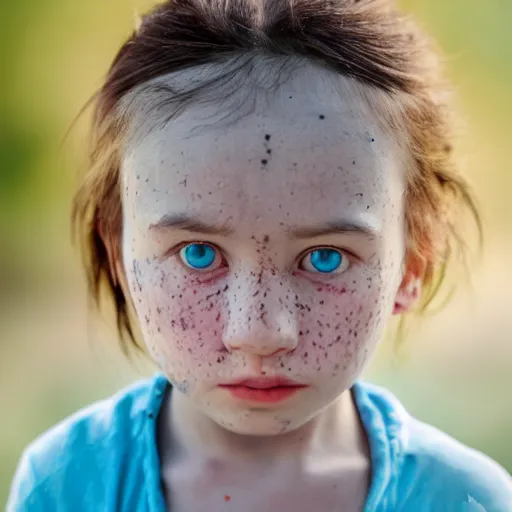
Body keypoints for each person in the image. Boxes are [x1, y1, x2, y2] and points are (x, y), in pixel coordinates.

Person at [8, 0, 512, 510]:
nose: (259, 333)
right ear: (119, 255)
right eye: (198, 254)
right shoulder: (66, 485)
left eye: (326, 258)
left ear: (412, 264)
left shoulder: (465, 499)